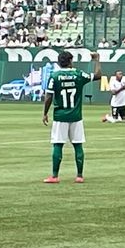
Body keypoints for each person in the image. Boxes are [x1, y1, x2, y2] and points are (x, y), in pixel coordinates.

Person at [43, 50, 100, 183]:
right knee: (78, 145)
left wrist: (45, 113)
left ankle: (55, 176)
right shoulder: (78, 74)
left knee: (58, 145)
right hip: (76, 116)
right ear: (70, 61)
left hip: (60, 116)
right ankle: (79, 175)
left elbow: (49, 96)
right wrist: (97, 59)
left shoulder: (54, 76)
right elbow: (98, 75)